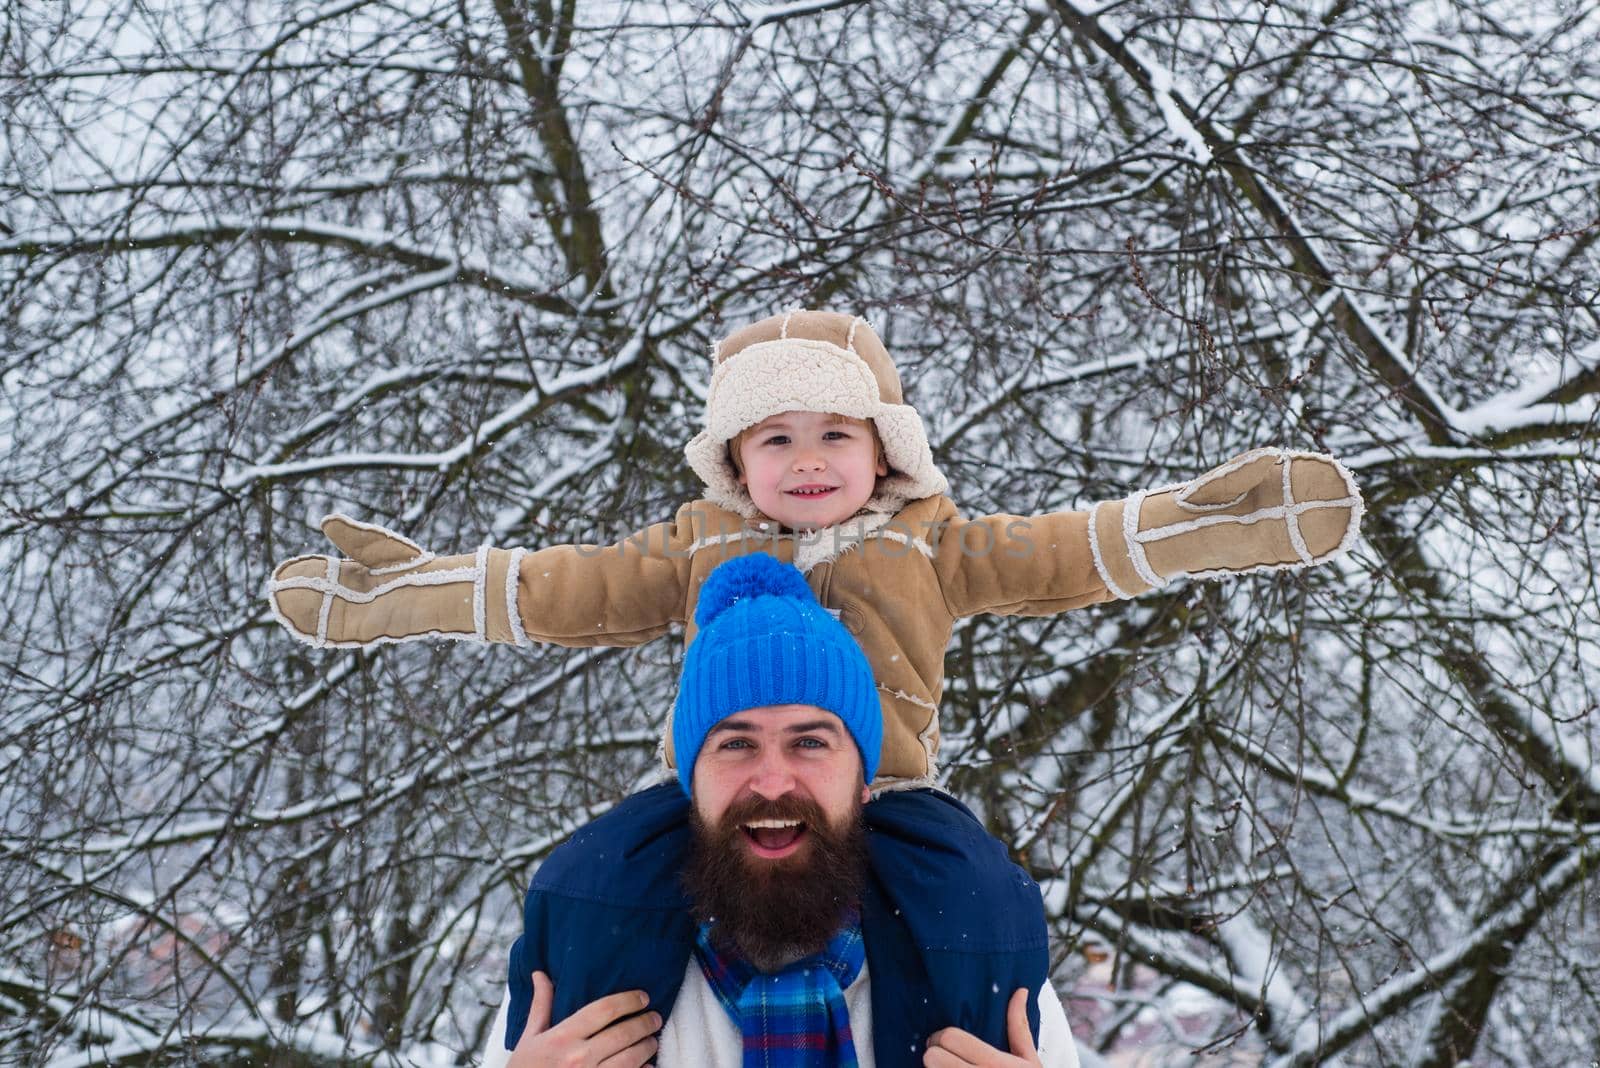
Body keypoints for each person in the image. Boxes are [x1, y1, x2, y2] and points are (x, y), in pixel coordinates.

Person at [265, 309, 1363, 1051]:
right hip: (701, 799)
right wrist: (412, 591)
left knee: (978, 897)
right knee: (590, 876)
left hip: (888, 793)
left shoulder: (935, 542)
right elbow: (568, 589)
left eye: (833, 433)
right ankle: (603, 1035)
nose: (804, 460)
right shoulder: (696, 543)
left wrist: (1200, 529)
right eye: (773, 439)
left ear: (883, 450)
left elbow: (1063, 557)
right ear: (733, 463)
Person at [482, 552, 1081, 1067]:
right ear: (690, 781)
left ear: (863, 781)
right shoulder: (584, 958)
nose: (771, 782)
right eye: (736, 744)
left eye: (810, 743)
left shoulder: (973, 955)